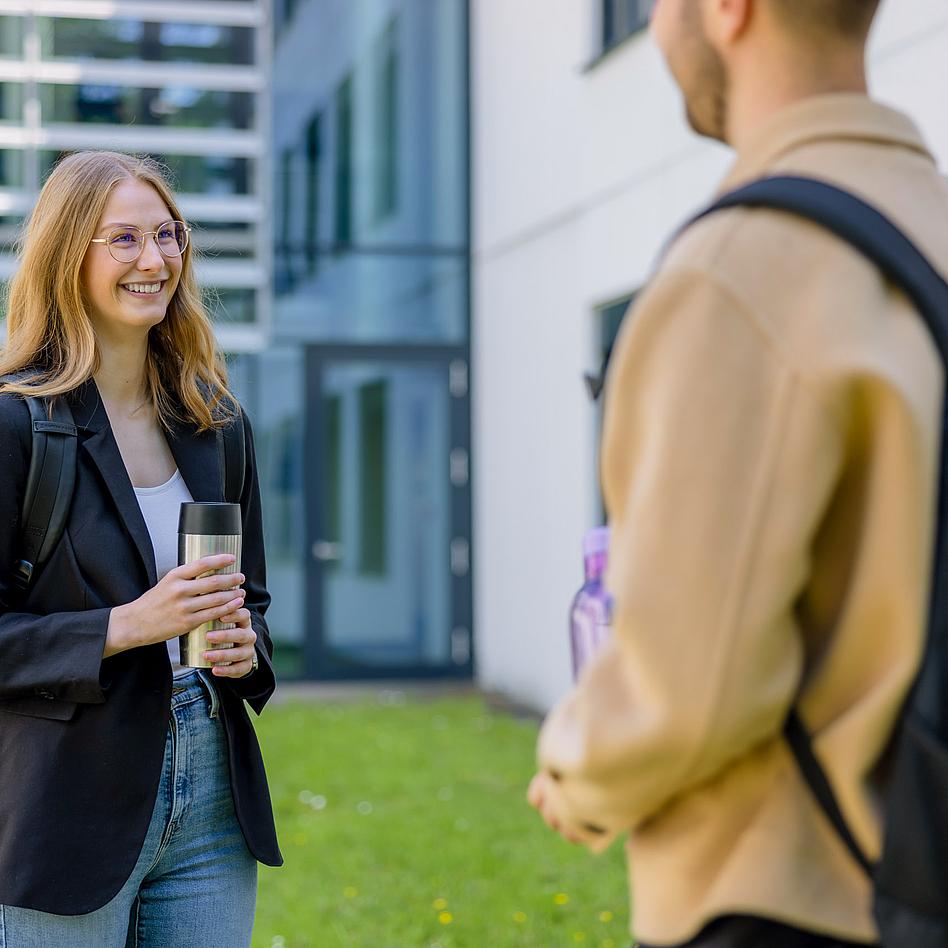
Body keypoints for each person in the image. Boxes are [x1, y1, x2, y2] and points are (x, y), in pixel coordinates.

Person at [528, 1, 948, 946]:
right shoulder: (929, 224)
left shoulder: (739, 268)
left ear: (727, 9)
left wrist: (578, 774)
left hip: (790, 896)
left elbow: (691, 686)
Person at [0, 151, 282, 947]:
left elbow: (251, 601)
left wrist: (240, 647)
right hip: (62, 801)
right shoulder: (16, 425)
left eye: (168, 235)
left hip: (211, 803)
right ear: (67, 255)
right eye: (122, 239)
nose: (153, 260)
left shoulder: (216, 423)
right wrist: (126, 625)